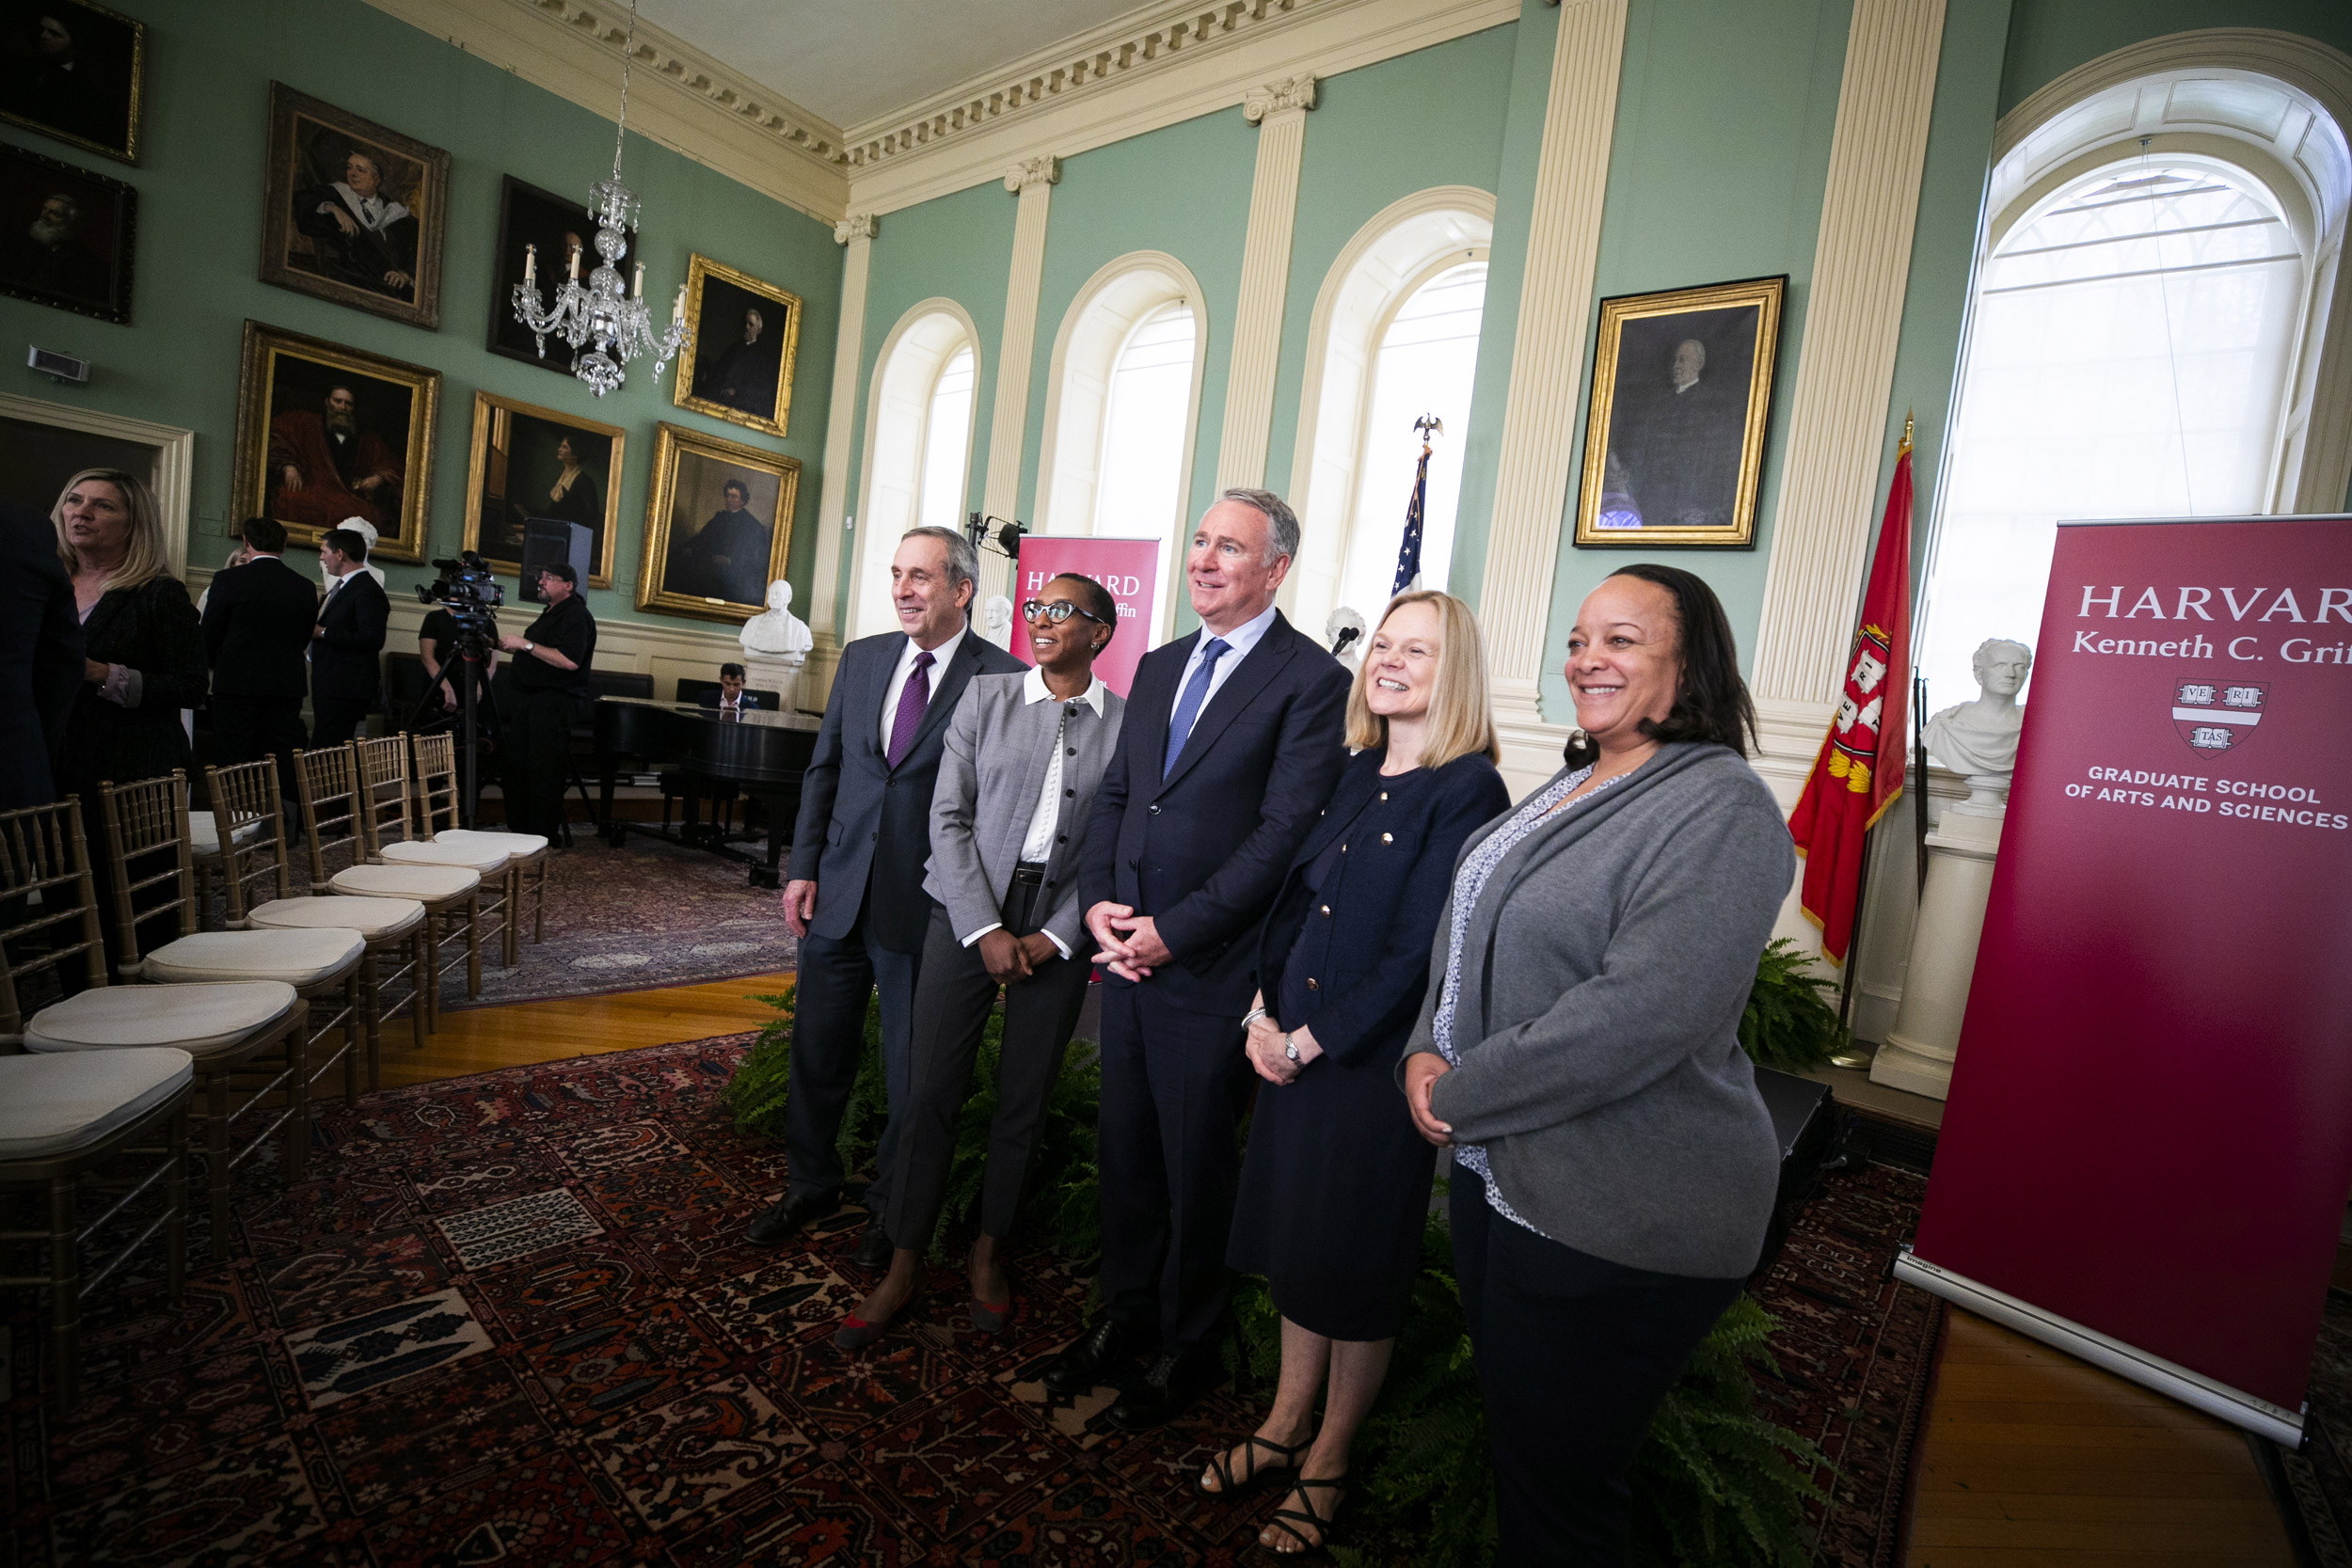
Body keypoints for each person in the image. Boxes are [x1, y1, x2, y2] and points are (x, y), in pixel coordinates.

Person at [1397, 563, 1793, 1564]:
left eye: (1619, 639)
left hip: (1619, 1204)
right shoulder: (1582, 776)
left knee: (1562, 1494)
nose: (1587, 659)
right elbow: (1473, 926)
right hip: (1506, 1173)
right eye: (1579, 638)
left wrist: (1462, 1088)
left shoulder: (1721, 807)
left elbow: (1642, 1013)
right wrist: (1423, 1045)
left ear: (1686, 662)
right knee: (1527, 1451)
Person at [1209, 590, 1510, 1552]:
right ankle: (1283, 1420)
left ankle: (1331, 1451)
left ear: (1450, 669)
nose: (1388, 659)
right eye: (1382, 643)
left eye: (1414, 650)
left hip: (1367, 1070)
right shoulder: (1351, 768)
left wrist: (1307, 1041)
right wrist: (1261, 1011)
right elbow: (1292, 905)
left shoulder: (1468, 788)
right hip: (1289, 1047)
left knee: (1356, 1266)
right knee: (1298, 1249)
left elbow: (1418, 953)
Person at [1042, 488, 1350, 1430]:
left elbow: (1282, 833)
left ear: (1276, 568)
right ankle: (1124, 1314)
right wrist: (1097, 900)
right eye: (1201, 541)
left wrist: (1175, 930)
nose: (1205, 559)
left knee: (1194, 1163)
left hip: (1209, 969)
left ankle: (1189, 1339)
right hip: (1125, 954)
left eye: (1230, 546)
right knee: (1125, 1150)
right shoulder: (1164, 661)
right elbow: (1120, 794)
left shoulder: (1309, 680)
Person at [836, 572, 1128, 1350]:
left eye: (1062, 610)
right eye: (1037, 607)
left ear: (1100, 631)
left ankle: (989, 1255)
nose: (1042, 619)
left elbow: (1114, 848)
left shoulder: (1127, 728)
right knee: (930, 1089)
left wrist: (1060, 935)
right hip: (963, 915)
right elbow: (948, 816)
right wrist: (984, 927)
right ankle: (902, 1263)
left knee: (1021, 1103)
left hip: (1058, 932)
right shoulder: (986, 697)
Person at [743, 526, 1024, 1267]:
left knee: (912, 1075)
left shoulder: (1002, 678)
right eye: (897, 572)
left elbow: (1001, 805)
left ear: (962, 590)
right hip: (838, 891)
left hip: (927, 906)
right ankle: (810, 1182)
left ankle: (891, 1211)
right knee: (816, 1051)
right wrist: (803, 866)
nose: (903, 588)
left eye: (921, 576)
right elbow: (825, 768)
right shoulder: (864, 658)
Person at [53, 467, 206, 810]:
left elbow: (191, 686)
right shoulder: (47, 585)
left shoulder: (158, 593)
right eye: (74, 500)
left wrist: (100, 673)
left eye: (103, 506)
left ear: (134, 524)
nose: (82, 512)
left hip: (129, 774)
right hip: (50, 762)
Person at [202, 516, 314, 784]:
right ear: (284, 546)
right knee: (280, 757)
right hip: (285, 684)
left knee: (234, 757)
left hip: (235, 683)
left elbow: (209, 633)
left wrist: (216, 662)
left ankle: (237, 820)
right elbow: (303, 636)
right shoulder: (304, 586)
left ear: (246, 542)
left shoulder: (228, 580)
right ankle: (282, 820)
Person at [496, 562, 596, 839]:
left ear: (568, 585)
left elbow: (569, 660)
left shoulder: (576, 615)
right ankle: (520, 829)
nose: (541, 582)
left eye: (549, 578)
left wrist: (525, 644)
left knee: (543, 769)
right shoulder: (550, 613)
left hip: (553, 703)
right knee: (518, 766)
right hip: (531, 700)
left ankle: (540, 835)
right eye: (541, 577)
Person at [0, 499, 82, 810]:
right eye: (74, 500)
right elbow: (62, 665)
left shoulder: (23, 529)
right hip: (13, 764)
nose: (81, 512)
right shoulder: (23, 527)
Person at [267, 384, 404, 532]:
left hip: (350, 497)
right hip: (315, 488)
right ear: (327, 402)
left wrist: (378, 478)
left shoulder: (367, 439)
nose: (343, 407)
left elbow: (392, 464)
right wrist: (288, 466)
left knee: (371, 516)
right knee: (291, 500)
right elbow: (275, 435)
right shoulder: (305, 423)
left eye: (348, 404)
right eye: (337, 401)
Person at [293, 146, 419, 299]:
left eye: (360, 170)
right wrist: (332, 208)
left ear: (376, 180)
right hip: (352, 281)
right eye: (349, 168)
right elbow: (302, 204)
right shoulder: (335, 195)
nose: (352, 174)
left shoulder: (394, 210)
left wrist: (405, 274)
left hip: (391, 287)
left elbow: (420, 249)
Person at [310, 526, 388, 747]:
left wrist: (322, 632)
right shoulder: (347, 586)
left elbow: (372, 638)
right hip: (332, 682)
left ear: (340, 554)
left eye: (324, 551)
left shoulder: (367, 590)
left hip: (345, 686)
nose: (322, 557)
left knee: (327, 748)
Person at [674, 479, 771, 606]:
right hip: (711, 564)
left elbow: (754, 556)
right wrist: (685, 548)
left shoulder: (752, 525)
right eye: (727, 495)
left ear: (742, 500)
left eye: (734, 496)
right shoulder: (719, 518)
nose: (729, 499)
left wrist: (729, 561)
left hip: (734, 572)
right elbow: (702, 537)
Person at [696, 307, 782, 420]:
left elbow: (760, 387)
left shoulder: (761, 357)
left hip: (742, 403)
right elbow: (719, 368)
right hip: (721, 396)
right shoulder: (735, 347)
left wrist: (737, 391)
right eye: (745, 323)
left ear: (759, 330)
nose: (746, 327)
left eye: (751, 325)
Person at [543, 436, 602, 531]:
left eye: (565, 447)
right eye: (560, 446)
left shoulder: (583, 480)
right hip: (556, 529)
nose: (559, 449)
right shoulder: (561, 477)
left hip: (572, 533)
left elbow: (591, 514)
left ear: (575, 453)